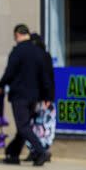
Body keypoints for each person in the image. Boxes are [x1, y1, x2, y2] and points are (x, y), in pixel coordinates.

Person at [0, 24, 52, 166]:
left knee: (23, 127)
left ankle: (40, 151)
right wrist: (47, 96)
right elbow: (45, 76)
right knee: (23, 127)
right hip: (34, 97)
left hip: (20, 95)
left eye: (15, 37)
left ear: (18, 35)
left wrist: (0, 86)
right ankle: (13, 154)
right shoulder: (38, 52)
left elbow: (9, 72)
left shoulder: (17, 51)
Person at [25, 33, 56, 161]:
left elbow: (47, 79)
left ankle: (41, 151)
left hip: (42, 97)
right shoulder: (38, 56)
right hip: (36, 96)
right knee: (36, 125)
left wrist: (48, 98)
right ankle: (36, 151)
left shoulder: (42, 57)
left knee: (42, 125)